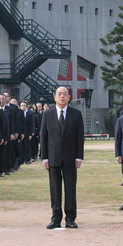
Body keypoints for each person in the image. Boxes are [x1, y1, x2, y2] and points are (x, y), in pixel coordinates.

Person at [41, 85, 84, 229]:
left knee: (70, 188)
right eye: (59, 94)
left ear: (69, 97)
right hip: (53, 156)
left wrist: (79, 157)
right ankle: (56, 218)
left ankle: (70, 218)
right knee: (55, 188)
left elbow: (79, 137)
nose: (62, 96)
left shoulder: (76, 114)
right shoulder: (47, 114)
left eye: (65, 94)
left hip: (70, 157)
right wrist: (44, 158)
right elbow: (44, 137)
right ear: (55, 97)